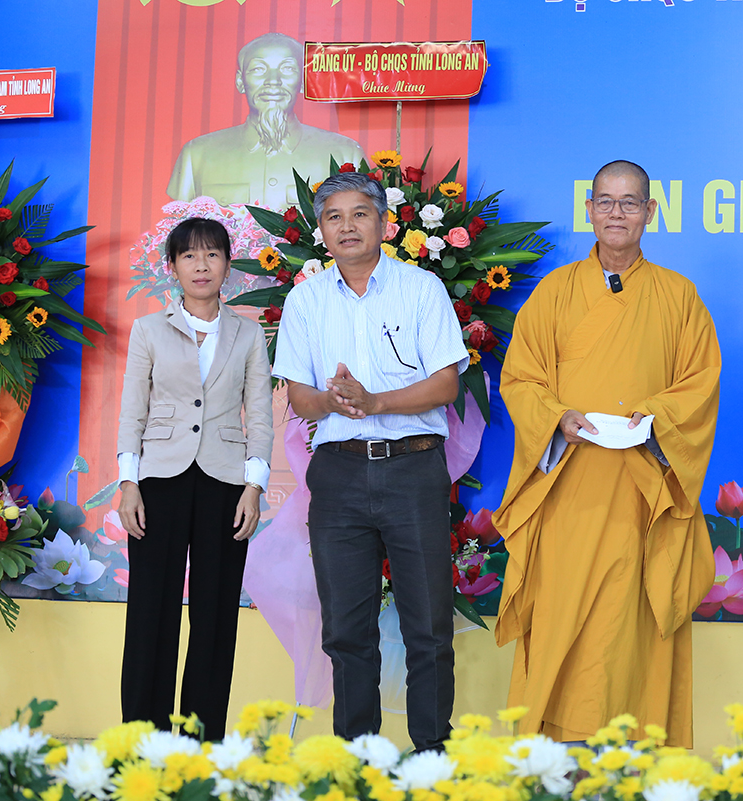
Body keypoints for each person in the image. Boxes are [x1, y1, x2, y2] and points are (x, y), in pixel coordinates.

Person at [493, 160, 721, 747]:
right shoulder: (554, 292)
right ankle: (556, 752)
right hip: (568, 488)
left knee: (626, 623)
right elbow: (521, 379)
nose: (617, 213)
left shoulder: (679, 296)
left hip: (641, 491)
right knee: (562, 615)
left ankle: (629, 751)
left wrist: (655, 417)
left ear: (650, 212)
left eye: (630, 202)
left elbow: (699, 384)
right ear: (589, 209)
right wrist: (556, 418)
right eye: (606, 201)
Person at [272, 172, 468, 752]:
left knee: (428, 625)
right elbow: (298, 396)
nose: (348, 226)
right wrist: (333, 401)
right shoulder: (305, 299)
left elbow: (446, 385)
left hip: (413, 469)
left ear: (384, 222)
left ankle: (432, 755)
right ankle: (359, 757)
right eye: (334, 216)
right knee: (346, 630)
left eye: (360, 213)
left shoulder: (421, 289)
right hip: (339, 474)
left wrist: (374, 401)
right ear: (321, 230)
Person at [116, 217, 273, 737]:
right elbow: (132, 411)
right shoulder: (148, 329)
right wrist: (128, 483)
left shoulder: (249, 333)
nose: (201, 265)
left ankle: (202, 741)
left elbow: (259, 415)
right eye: (189, 255)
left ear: (228, 264)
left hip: (226, 483)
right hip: (158, 480)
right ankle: (143, 739)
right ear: (173, 267)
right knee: (150, 611)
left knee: (216, 614)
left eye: (212, 255)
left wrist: (254, 487)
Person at [167, 32, 366, 209]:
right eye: (258, 69)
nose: (273, 81)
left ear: (303, 81)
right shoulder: (197, 155)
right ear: (240, 81)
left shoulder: (345, 153)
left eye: (287, 68)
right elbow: (180, 230)